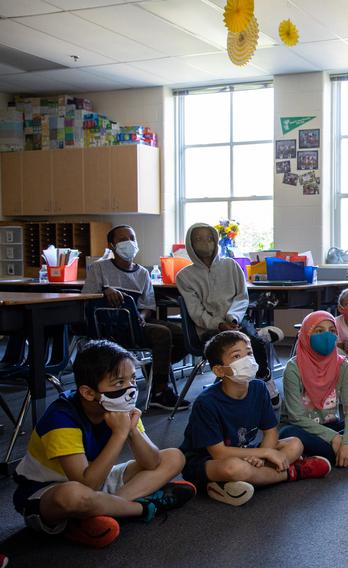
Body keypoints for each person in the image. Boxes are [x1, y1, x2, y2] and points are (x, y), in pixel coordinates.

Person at [12, 340, 195, 548]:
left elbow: (152, 462)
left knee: (174, 457)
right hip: (49, 493)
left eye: (133, 379)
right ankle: (143, 507)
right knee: (73, 495)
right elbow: (85, 484)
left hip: (99, 480)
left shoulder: (120, 404)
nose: (131, 389)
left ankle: (105, 510)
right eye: (118, 383)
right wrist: (119, 434)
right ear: (89, 393)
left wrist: (132, 430)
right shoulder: (61, 418)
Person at [179, 331, 331, 506]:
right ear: (219, 370)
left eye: (249, 353)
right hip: (206, 461)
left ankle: (232, 485)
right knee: (235, 468)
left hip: (244, 451)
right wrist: (265, 453)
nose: (247, 360)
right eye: (237, 356)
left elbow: (270, 433)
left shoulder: (259, 388)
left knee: (295, 443)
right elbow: (219, 453)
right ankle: (292, 472)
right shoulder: (206, 403)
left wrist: (262, 458)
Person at [83, 224, 189, 411]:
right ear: (112, 245)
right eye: (123, 239)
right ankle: (159, 391)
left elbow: (148, 305)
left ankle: (155, 370)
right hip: (110, 326)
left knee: (181, 335)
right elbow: (86, 298)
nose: (129, 243)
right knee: (162, 333)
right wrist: (105, 291)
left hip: (135, 322)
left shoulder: (142, 273)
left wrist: (141, 316)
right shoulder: (99, 269)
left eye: (132, 238)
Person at [176, 223, 280, 407]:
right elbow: (195, 311)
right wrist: (219, 324)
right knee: (236, 347)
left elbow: (241, 296)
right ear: (190, 243)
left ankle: (265, 379)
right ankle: (238, 386)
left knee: (252, 343)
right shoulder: (184, 276)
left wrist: (233, 318)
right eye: (198, 239)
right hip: (208, 328)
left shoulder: (230, 265)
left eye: (209, 238)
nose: (205, 243)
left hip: (236, 320)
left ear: (216, 241)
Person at [279, 311, 348, 466]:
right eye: (319, 331)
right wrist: (336, 438)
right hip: (304, 429)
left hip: (332, 425)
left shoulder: (341, 364)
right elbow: (296, 418)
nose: (327, 336)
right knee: (288, 433)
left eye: (332, 331)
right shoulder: (293, 368)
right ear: (305, 335)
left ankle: (334, 453)